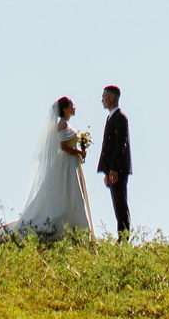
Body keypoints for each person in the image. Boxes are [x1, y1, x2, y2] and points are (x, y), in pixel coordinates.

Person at [10, 95, 96, 237]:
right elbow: (63, 146)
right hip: (66, 162)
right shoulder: (62, 124)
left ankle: (76, 230)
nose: (74, 108)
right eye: (71, 106)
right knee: (69, 193)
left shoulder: (65, 125)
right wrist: (79, 152)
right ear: (65, 109)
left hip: (71, 162)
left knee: (73, 193)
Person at [96, 84, 131, 234]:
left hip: (118, 169)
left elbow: (120, 144)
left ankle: (123, 237)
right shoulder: (110, 118)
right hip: (111, 170)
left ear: (111, 98)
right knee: (116, 203)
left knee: (120, 204)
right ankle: (122, 235)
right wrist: (106, 171)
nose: (102, 100)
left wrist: (114, 169)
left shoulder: (120, 118)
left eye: (104, 97)